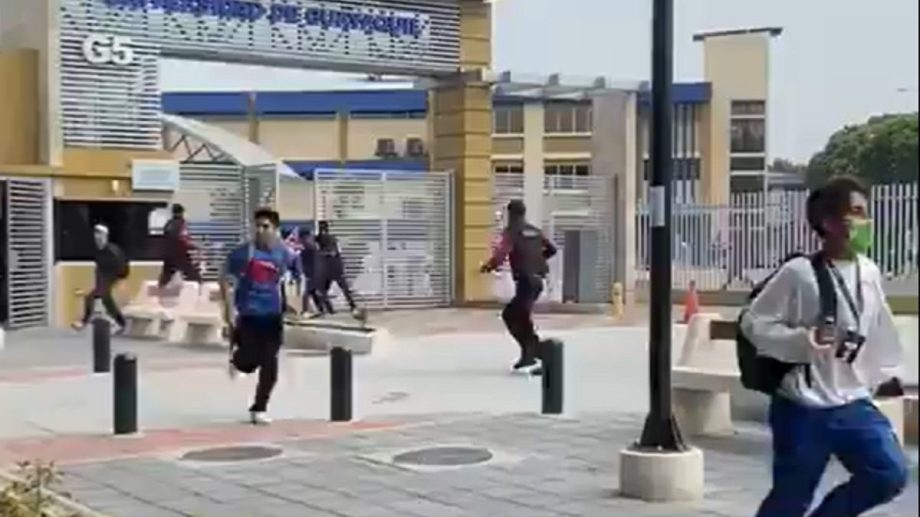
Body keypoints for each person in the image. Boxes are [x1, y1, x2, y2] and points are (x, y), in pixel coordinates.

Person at [742, 176, 907, 517]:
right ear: (829, 223)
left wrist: (885, 373)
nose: (866, 222)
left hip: (852, 402)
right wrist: (802, 341)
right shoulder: (798, 273)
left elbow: (879, 326)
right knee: (790, 500)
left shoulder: (869, 272)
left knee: (889, 473)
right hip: (802, 406)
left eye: (866, 212)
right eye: (857, 213)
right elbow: (753, 323)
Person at [219, 207, 301, 425]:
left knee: (270, 362)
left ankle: (259, 407)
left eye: (266, 226)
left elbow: (297, 276)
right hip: (248, 314)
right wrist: (228, 311)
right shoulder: (243, 253)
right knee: (249, 361)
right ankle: (238, 362)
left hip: (272, 315)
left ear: (275, 229)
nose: (260, 230)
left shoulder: (284, 253)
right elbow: (226, 280)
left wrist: (295, 301)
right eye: (257, 226)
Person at [481, 200, 557, 374]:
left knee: (513, 315)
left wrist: (489, 266)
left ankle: (537, 351)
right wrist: (538, 260)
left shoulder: (511, 232)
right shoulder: (535, 231)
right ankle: (530, 352)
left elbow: (501, 254)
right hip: (537, 281)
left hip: (526, 281)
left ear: (510, 214)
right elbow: (552, 249)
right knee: (519, 315)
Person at [73, 224, 128, 332]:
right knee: (106, 300)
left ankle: (84, 322)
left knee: (93, 297)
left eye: (100, 235)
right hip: (103, 280)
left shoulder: (112, 251)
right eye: (96, 236)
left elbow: (123, 266)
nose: (97, 238)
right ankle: (120, 323)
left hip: (110, 278)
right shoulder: (99, 251)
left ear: (105, 236)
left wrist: (118, 279)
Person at [313, 220, 363, 320]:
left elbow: (329, 251)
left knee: (323, 290)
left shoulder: (321, 239)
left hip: (329, 268)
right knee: (343, 289)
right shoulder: (333, 239)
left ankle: (325, 309)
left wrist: (320, 254)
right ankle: (352, 307)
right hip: (336, 268)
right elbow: (336, 252)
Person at [158, 204, 201, 288]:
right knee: (195, 276)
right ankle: (201, 291)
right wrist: (195, 246)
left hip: (168, 255)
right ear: (182, 212)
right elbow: (183, 239)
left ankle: (160, 289)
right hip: (180, 255)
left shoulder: (168, 224)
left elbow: (165, 239)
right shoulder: (182, 223)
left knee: (165, 277)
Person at [298, 228, 322, 315]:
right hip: (311, 274)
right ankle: (320, 309)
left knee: (307, 293)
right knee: (312, 292)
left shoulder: (310, 250)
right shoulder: (308, 250)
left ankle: (305, 310)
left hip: (312, 274)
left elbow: (313, 263)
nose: (302, 241)